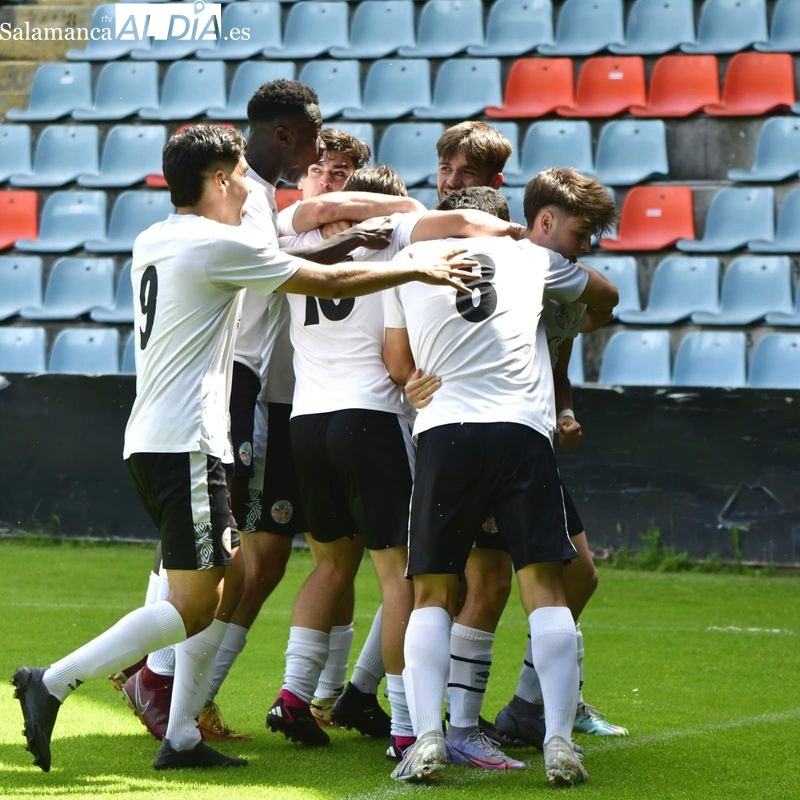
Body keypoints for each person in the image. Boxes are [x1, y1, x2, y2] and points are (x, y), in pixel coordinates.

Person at [10, 123, 476, 774]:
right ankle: (54, 681)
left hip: (154, 437)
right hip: (188, 443)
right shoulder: (216, 245)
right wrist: (416, 262)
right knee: (198, 601)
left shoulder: (154, 238)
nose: (253, 195)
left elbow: (309, 235)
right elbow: (330, 283)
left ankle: (183, 738)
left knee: (224, 581)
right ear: (221, 180)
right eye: (242, 181)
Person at [267, 167, 529, 750]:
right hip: (371, 422)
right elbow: (460, 222)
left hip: (305, 422)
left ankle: (292, 694)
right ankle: (409, 730)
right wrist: (519, 237)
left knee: (329, 567)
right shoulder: (396, 235)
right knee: (401, 582)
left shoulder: (294, 243)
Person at [381, 178, 619, 786]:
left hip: (445, 433)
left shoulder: (408, 258)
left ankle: (429, 739)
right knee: (546, 589)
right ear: (504, 221)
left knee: (433, 594)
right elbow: (604, 294)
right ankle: (561, 743)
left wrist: (416, 380)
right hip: (519, 432)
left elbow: (397, 360)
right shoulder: (531, 256)